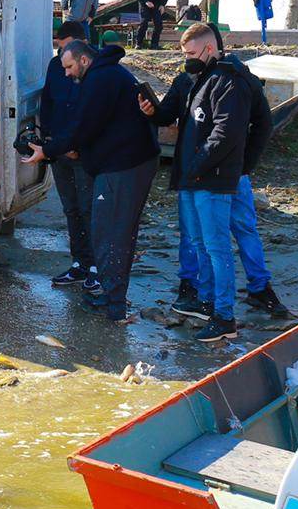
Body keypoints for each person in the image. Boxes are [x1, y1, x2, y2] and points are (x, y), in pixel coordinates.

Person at [23, 38, 158, 322]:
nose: (67, 73)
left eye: (70, 67)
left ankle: (114, 305)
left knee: (111, 234)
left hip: (124, 166)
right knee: (112, 232)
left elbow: (83, 126)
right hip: (126, 162)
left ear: (84, 60)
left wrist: (47, 150)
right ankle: (111, 296)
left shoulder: (101, 79)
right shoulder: (105, 75)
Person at [165, 24, 255, 343]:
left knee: (217, 248)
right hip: (194, 178)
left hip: (213, 181)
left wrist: (198, 165)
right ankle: (207, 301)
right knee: (201, 243)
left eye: (191, 53)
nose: (187, 59)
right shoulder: (201, 79)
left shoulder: (229, 82)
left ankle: (225, 316)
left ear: (208, 49)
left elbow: (226, 134)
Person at [39, 21, 98, 292]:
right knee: (71, 209)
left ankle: (96, 267)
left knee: (89, 209)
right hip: (59, 148)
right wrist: (50, 138)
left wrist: (77, 144)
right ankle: (79, 263)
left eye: (65, 50)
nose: (63, 63)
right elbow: (48, 102)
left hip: (84, 152)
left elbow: (90, 113)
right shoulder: (56, 66)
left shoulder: (95, 71)